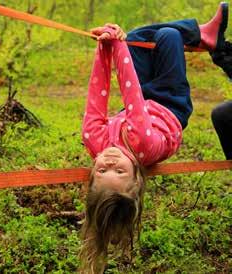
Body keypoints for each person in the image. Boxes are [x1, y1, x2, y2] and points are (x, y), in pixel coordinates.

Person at [79, 2, 230, 273]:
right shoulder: (142, 146)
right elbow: (130, 95)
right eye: (120, 170)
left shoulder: (94, 141)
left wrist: (104, 48)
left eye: (102, 169)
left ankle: (204, 35)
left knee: (136, 38)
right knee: (169, 37)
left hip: (142, 99)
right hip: (169, 102)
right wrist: (117, 45)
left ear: (92, 174)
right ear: (136, 175)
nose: (110, 160)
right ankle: (203, 35)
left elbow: (97, 94)